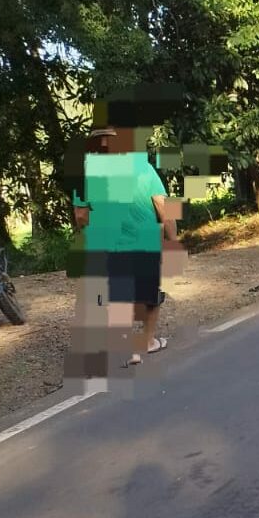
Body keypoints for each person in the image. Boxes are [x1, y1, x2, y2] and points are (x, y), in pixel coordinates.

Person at [70, 124, 178, 370]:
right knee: (150, 295)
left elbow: (80, 215)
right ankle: (147, 341)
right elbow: (164, 205)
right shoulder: (142, 165)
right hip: (146, 241)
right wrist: (173, 238)